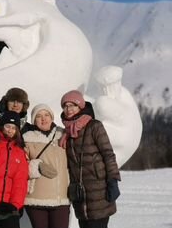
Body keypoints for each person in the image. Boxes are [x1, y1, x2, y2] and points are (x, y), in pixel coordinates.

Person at [59, 90, 121, 228]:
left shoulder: (94, 126)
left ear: (80, 106)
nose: (69, 109)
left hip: (99, 191)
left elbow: (108, 154)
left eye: (72, 105)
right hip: (80, 196)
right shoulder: (67, 133)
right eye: (65, 106)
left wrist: (113, 179)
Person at [23, 104, 71, 228]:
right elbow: (19, 166)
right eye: (38, 116)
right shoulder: (27, 139)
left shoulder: (64, 135)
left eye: (46, 115)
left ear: (51, 117)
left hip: (61, 198)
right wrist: (36, 166)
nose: (43, 119)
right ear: (34, 120)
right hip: (36, 199)